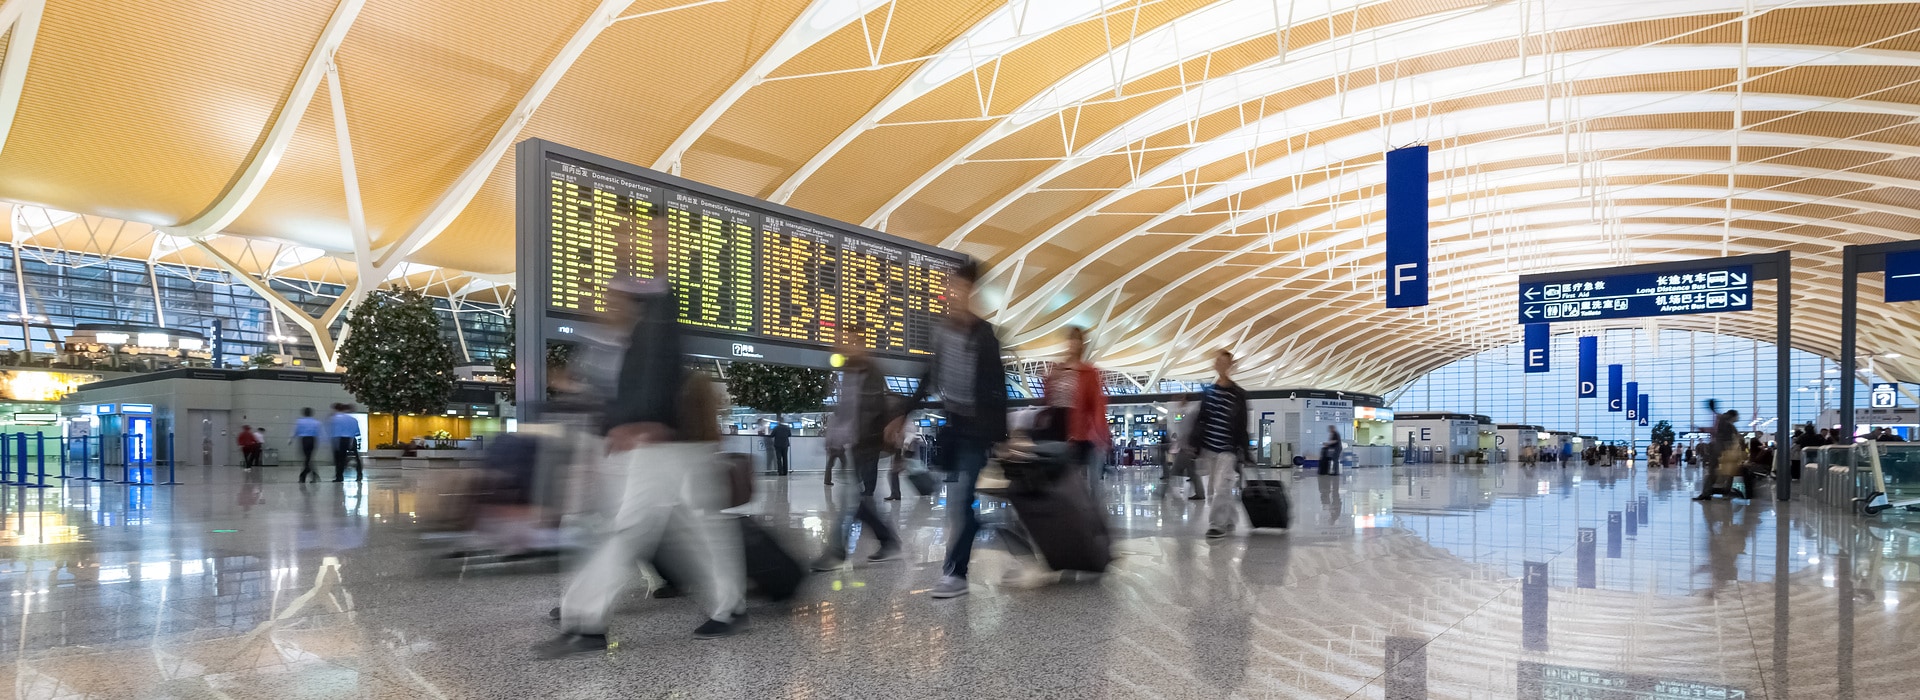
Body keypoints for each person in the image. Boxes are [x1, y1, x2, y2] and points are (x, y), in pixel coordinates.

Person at [539, 278, 746, 657]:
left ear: (636, 303)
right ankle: (729, 606)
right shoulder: (631, 339)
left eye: (614, 299)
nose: (606, 305)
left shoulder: (658, 321)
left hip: (667, 444)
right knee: (693, 531)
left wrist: (643, 423)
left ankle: (586, 622)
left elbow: (661, 376)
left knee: (648, 529)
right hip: (658, 446)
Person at [895, 260, 1006, 600]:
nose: (953, 294)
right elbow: (929, 376)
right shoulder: (942, 331)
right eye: (950, 288)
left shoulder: (984, 334)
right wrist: (903, 414)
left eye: (959, 288)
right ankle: (1001, 538)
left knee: (960, 503)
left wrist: (1000, 439)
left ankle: (955, 573)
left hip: (977, 430)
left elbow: (996, 387)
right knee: (959, 505)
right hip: (955, 429)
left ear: (970, 292)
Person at [812, 324, 903, 571]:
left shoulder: (871, 371)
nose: (841, 344)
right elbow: (846, 410)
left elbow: (870, 412)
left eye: (846, 340)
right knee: (859, 501)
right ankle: (888, 541)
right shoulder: (850, 370)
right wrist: (834, 436)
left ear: (859, 343)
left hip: (865, 443)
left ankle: (836, 552)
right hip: (853, 445)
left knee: (848, 499)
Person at [1189, 350, 1251, 539]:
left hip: (1228, 448)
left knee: (1222, 486)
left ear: (1231, 366)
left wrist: (1244, 448)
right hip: (1209, 446)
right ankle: (1230, 518)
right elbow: (1201, 419)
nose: (1221, 366)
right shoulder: (1209, 392)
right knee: (1213, 488)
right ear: (1215, 366)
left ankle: (1216, 524)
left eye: (1225, 363)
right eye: (1219, 362)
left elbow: (1242, 423)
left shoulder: (1237, 394)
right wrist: (1195, 443)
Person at [1043, 326, 1109, 492]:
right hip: (1056, 429)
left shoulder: (1088, 373)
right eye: (1071, 340)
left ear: (1081, 345)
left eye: (1076, 340)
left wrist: (1101, 434)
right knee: (1059, 481)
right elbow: (1048, 400)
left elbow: (1096, 405)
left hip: (1077, 432)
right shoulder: (1058, 370)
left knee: (1076, 482)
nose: (1073, 344)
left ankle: (1083, 513)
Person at [1694, 407, 1743, 501]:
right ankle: (1718, 492)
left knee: (1717, 473)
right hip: (1722, 452)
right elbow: (1729, 439)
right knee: (1722, 473)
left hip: (1720, 451)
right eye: (1737, 416)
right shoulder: (1727, 424)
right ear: (1733, 416)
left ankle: (1710, 492)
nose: (1738, 418)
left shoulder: (1726, 424)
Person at [329, 403, 363, 482]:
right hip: (351, 439)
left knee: (339, 459)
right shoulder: (353, 420)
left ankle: (339, 476)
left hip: (339, 439)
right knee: (357, 458)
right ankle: (359, 475)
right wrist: (358, 443)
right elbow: (357, 432)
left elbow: (333, 431)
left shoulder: (334, 419)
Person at [292, 407, 322, 483]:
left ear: (304, 413)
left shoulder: (300, 422)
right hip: (313, 439)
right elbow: (319, 432)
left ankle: (304, 475)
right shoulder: (316, 422)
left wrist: (291, 439)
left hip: (304, 440)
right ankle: (311, 475)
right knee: (308, 458)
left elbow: (296, 431)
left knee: (307, 458)